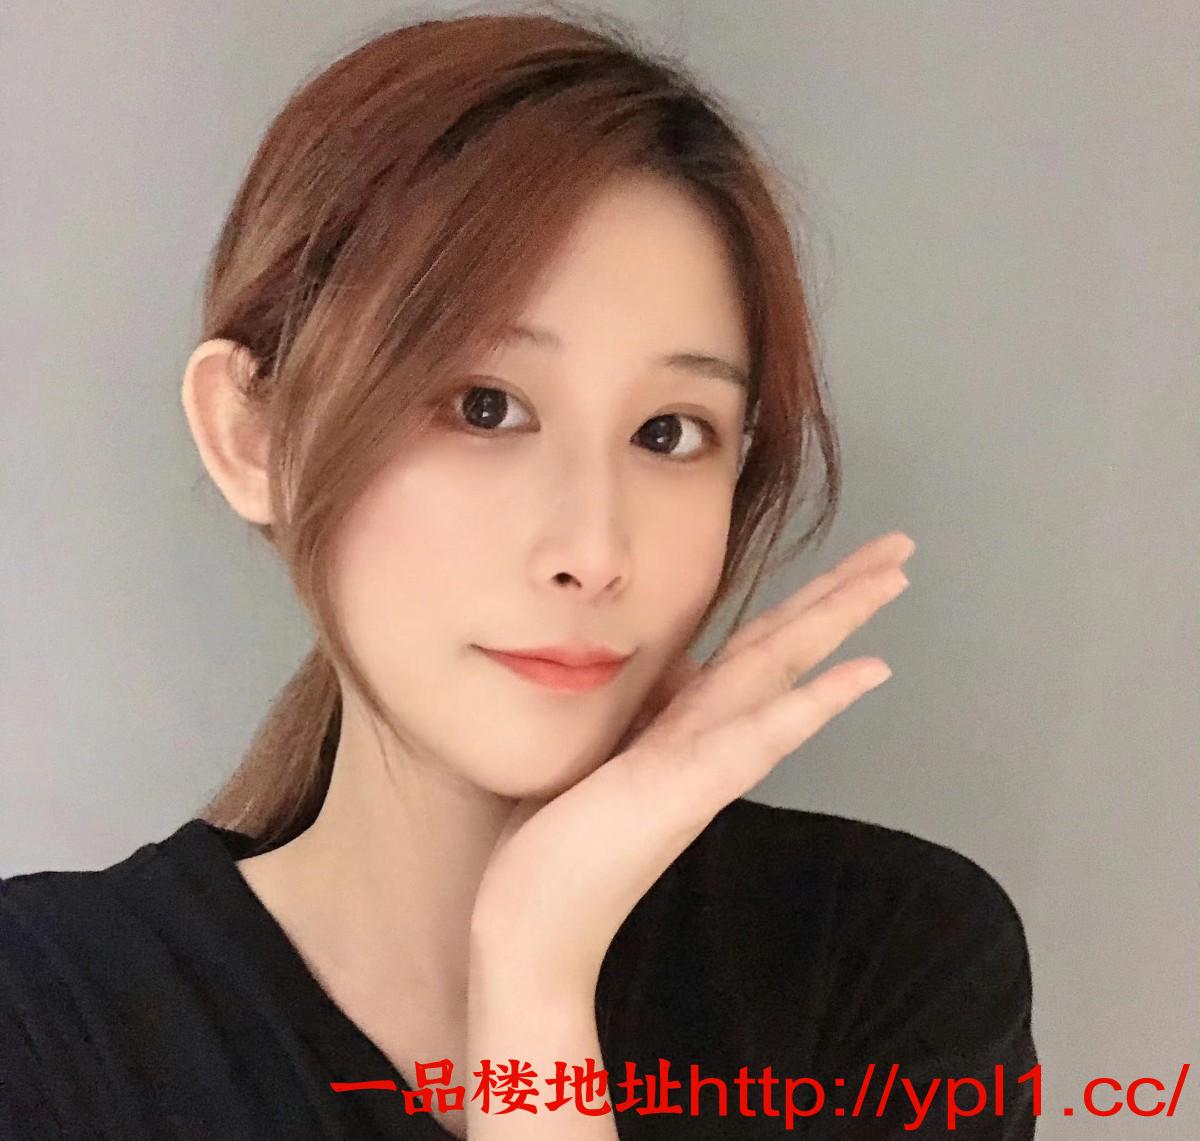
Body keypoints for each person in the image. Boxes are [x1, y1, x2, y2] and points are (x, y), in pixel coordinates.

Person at [0, 8, 1037, 1139]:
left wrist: (536, 974)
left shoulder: (886, 962)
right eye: (484, 407)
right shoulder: (43, 1019)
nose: (593, 552)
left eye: (670, 432)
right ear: (256, 438)